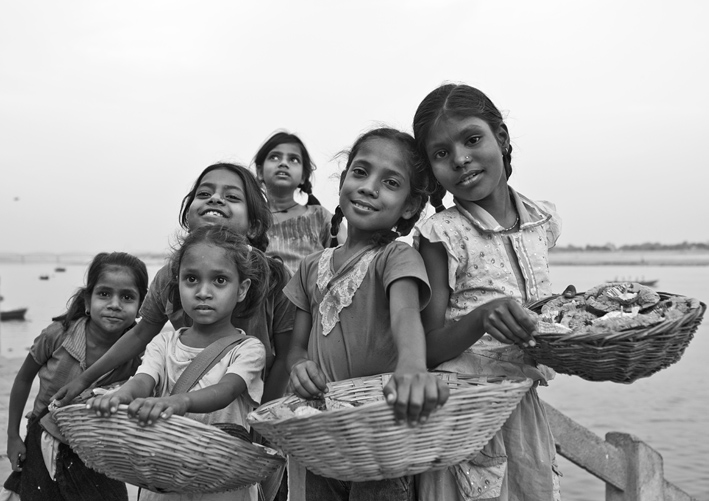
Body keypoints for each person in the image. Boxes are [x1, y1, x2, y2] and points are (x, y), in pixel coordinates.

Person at [412, 83, 562, 501]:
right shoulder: (441, 235)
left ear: (502, 137)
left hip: (523, 406)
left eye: (472, 139)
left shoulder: (541, 220)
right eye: (441, 153)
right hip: (464, 415)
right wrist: (481, 317)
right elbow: (424, 348)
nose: (460, 159)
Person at [285, 127, 450, 501]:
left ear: (409, 206)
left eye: (390, 182)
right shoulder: (311, 266)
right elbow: (296, 346)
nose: (369, 187)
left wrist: (412, 367)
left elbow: (406, 315)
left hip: (381, 440)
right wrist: (299, 368)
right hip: (320, 438)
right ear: (343, 181)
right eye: (360, 172)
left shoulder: (396, 257)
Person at [52, 163, 294, 407]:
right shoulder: (171, 274)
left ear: (253, 225)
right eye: (204, 194)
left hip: (253, 402)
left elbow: (286, 356)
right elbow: (140, 333)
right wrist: (85, 379)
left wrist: (264, 416)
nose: (216, 199)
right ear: (188, 216)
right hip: (182, 414)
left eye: (231, 196)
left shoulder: (275, 278)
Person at [88, 226, 268, 501]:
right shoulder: (164, 343)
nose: (203, 292)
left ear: (242, 289)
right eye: (192, 279)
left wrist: (179, 402)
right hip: (163, 484)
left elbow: (226, 391)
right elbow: (143, 380)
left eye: (220, 280)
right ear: (178, 284)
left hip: (223, 486)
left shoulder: (247, 349)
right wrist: (119, 396)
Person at [2, 252, 149, 501]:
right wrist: (13, 436)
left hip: (100, 449)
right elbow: (23, 379)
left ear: (141, 307)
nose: (115, 304)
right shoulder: (57, 335)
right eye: (104, 294)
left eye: (127, 297)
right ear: (88, 301)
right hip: (42, 439)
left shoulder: (139, 354)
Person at [254, 131, 343, 275]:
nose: (283, 163)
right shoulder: (251, 220)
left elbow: (350, 254)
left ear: (303, 177)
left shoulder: (321, 217)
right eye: (274, 157)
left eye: (293, 159)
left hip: (311, 296)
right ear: (259, 172)